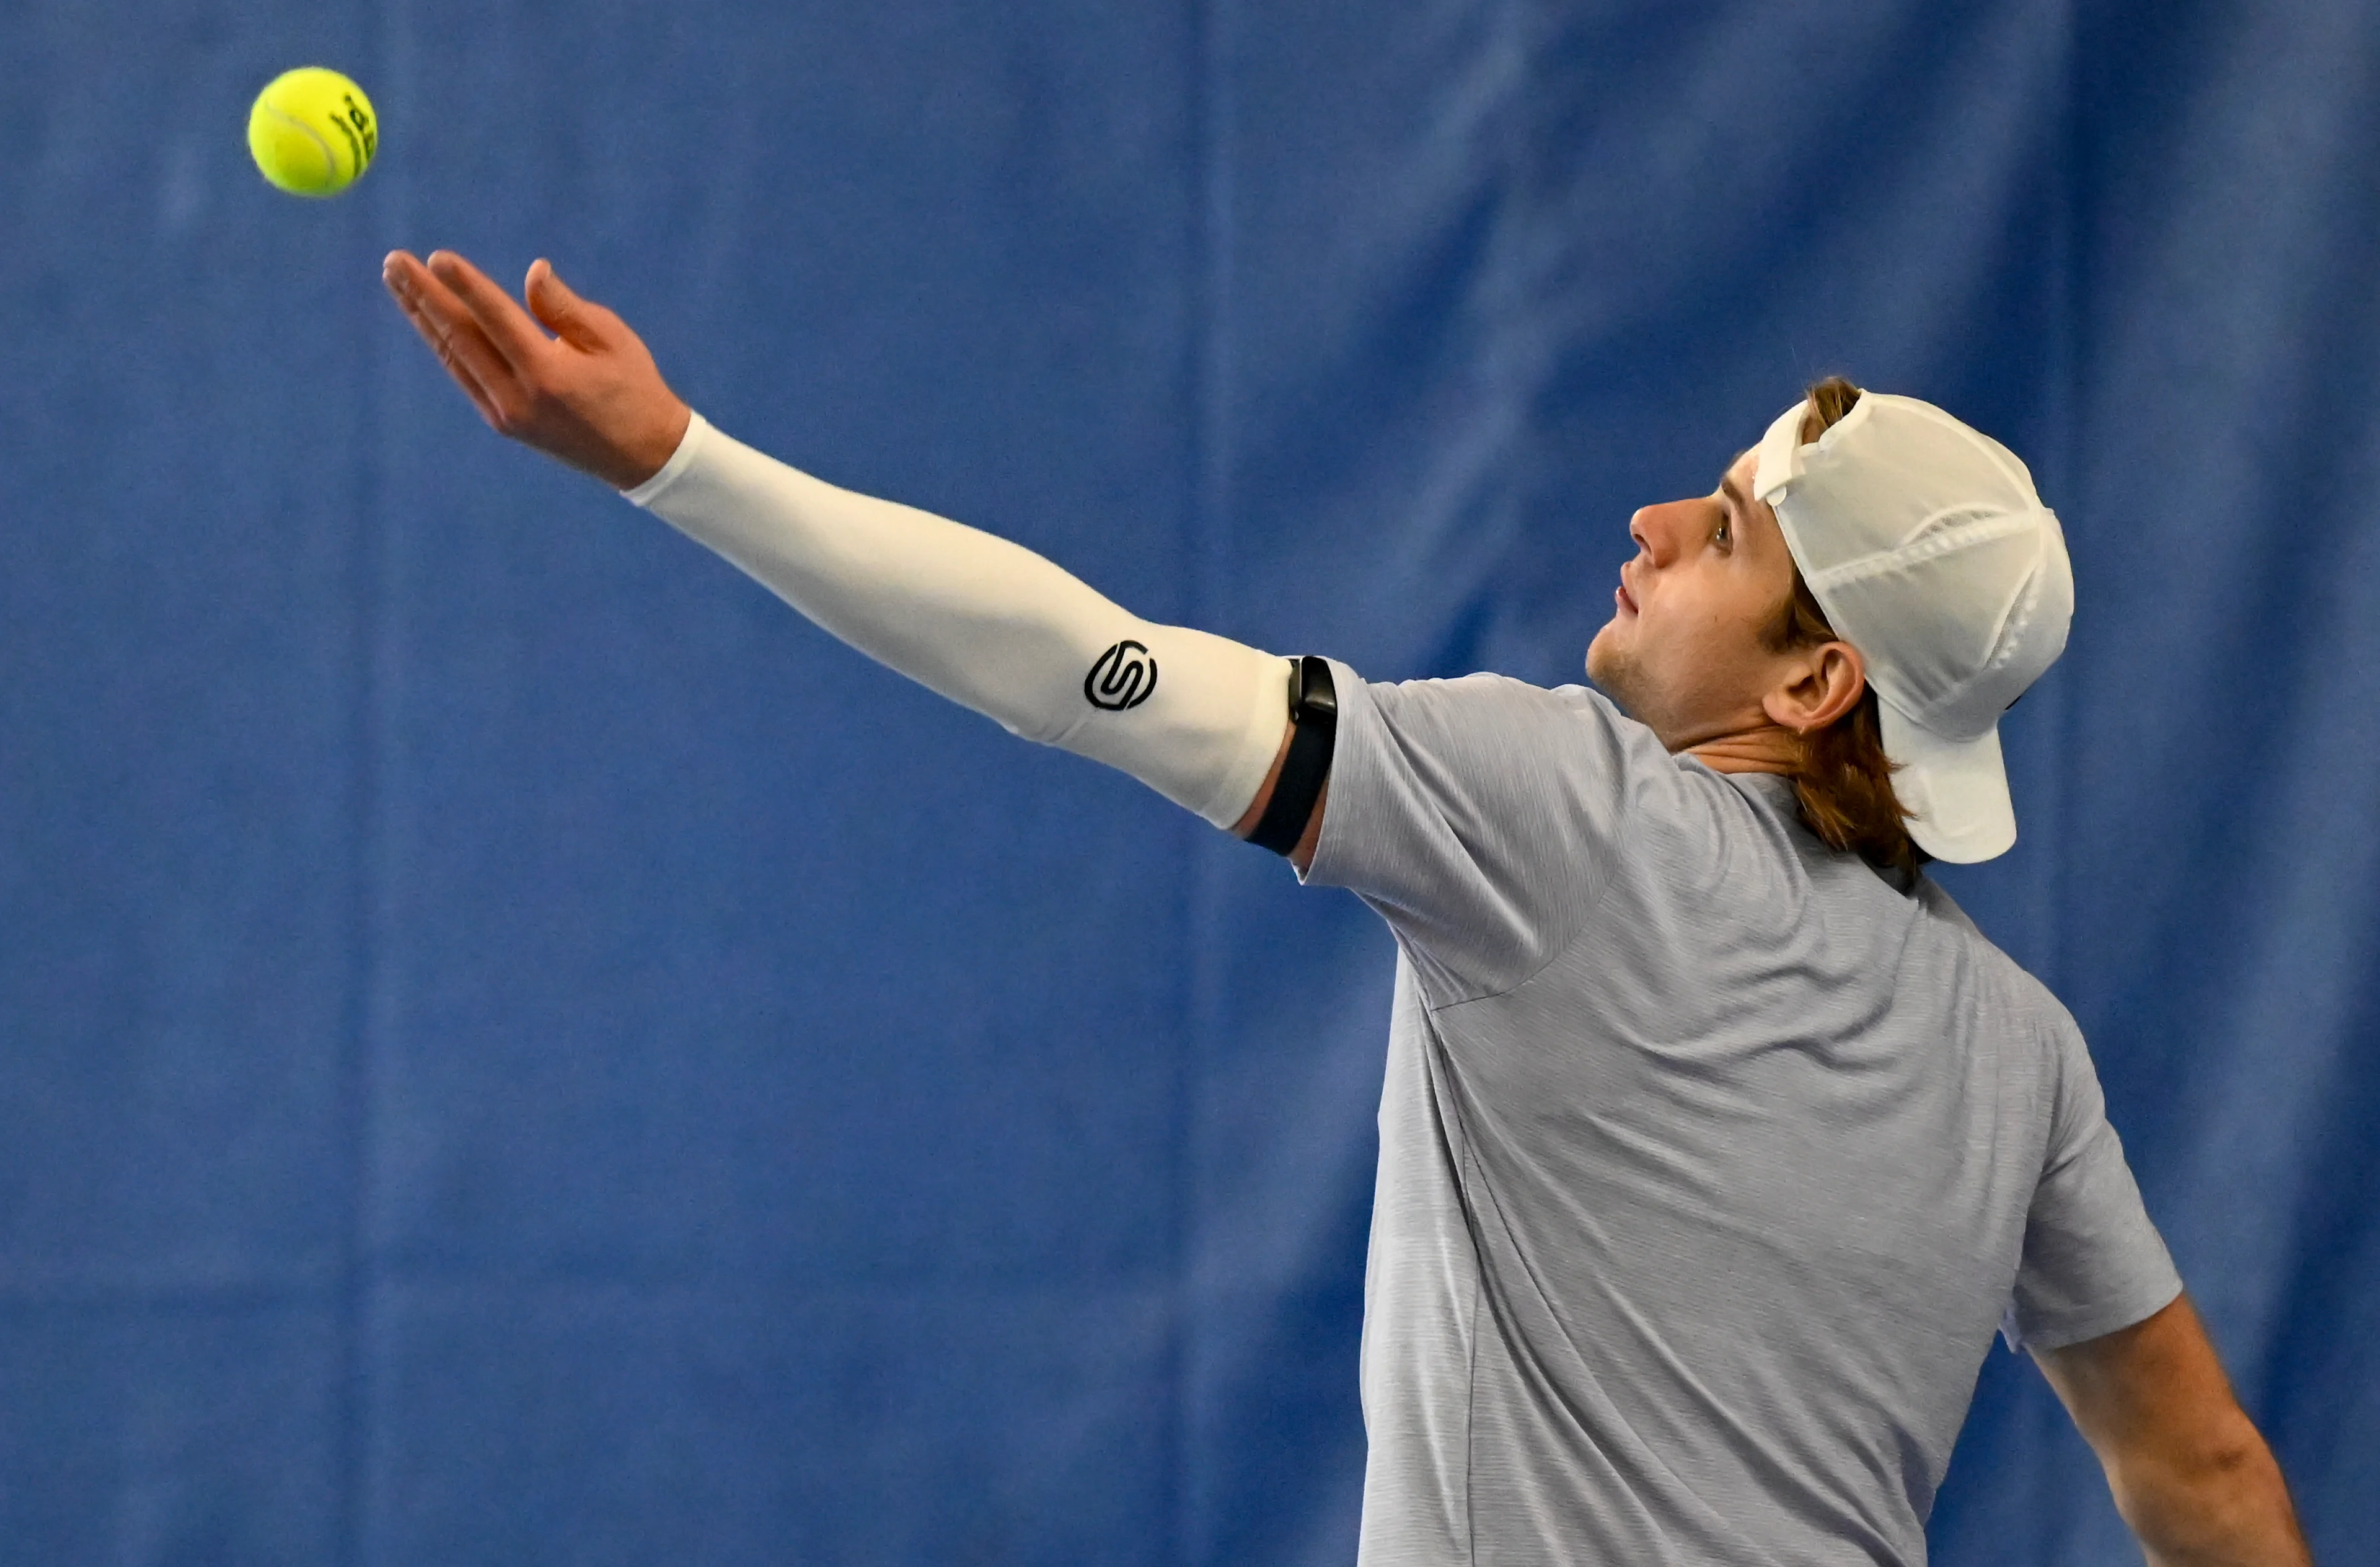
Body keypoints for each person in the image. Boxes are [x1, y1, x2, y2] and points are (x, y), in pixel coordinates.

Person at [381, 247, 2314, 1566]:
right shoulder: (2024, 1053)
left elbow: (1083, 667)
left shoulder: (1562, 804)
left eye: (1722, 533)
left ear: (1817, 688)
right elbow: (2206, 1475)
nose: (1650, 526)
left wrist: (677, 464)